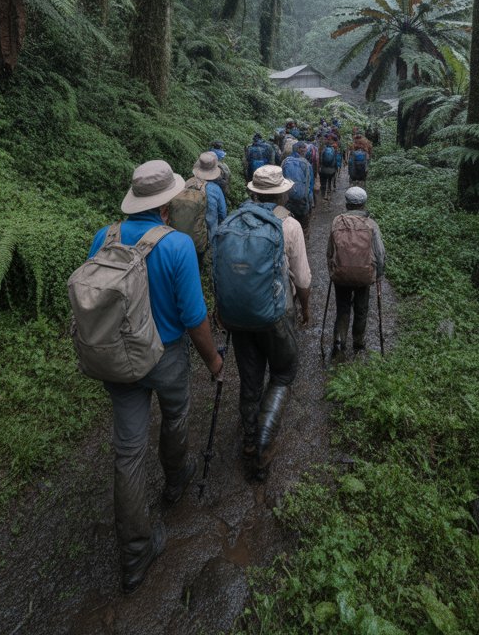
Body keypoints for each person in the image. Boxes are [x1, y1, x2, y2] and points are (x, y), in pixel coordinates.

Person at [87, 160, 224, 594]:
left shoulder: (104, 237)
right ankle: (175, 479)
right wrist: (214, 362)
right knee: (175, 416)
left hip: (117, 358)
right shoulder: (177, 245)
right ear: (167, 205)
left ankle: (134, 555)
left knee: (128, 453)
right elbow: (194, 318)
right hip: (164, 357)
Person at [213, 165, 311, 480]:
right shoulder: (290, 225)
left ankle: (249, 439)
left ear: (253, 192)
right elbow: (303, 279)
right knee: (283, 373)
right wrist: (305, 308)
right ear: (283, 194)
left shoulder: (232, 222)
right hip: (277, 314)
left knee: (251, 377)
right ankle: (263, 444)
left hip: (239, 315)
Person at [326, 186, 386, 357]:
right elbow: (380, 254)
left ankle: (339, 342)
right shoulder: (371, 224)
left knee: (343, 308)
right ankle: (358, 343)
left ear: (347, 204)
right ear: (363, 204)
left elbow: (330, 251)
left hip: (341, 275)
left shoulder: (337, 222)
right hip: (364, 275)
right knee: (361, 309)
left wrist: (332, 270)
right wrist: (378, 275)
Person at [168, 151, 227, 263]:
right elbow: (222, 214)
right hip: (205, 237)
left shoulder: (187, 183)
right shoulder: (215, 189)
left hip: (181, 233)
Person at [282, 141, 315, 239]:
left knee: (290, 227)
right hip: (303, 202)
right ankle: (304, 242)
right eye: (304, 148)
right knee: (304, 227)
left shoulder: (285, 162)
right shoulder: (306, 164)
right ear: (300, 150)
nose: (306, 150)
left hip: (288, 202)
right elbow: (310, 185)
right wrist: (310, 203)